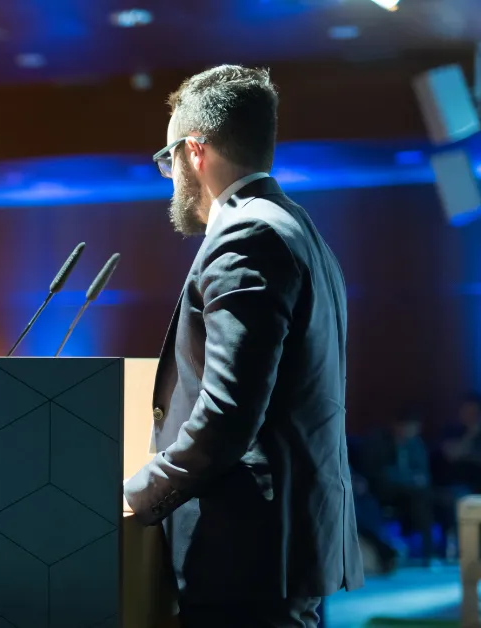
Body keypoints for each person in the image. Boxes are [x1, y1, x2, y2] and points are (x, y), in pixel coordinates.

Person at [122, 65, 363, 627]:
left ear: (195, 152)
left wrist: (138, 494)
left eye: (168, 161)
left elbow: (229, 415)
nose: (171, 176)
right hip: (283, 544)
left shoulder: (246, 240)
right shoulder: (299, 229)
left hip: (248, 551)